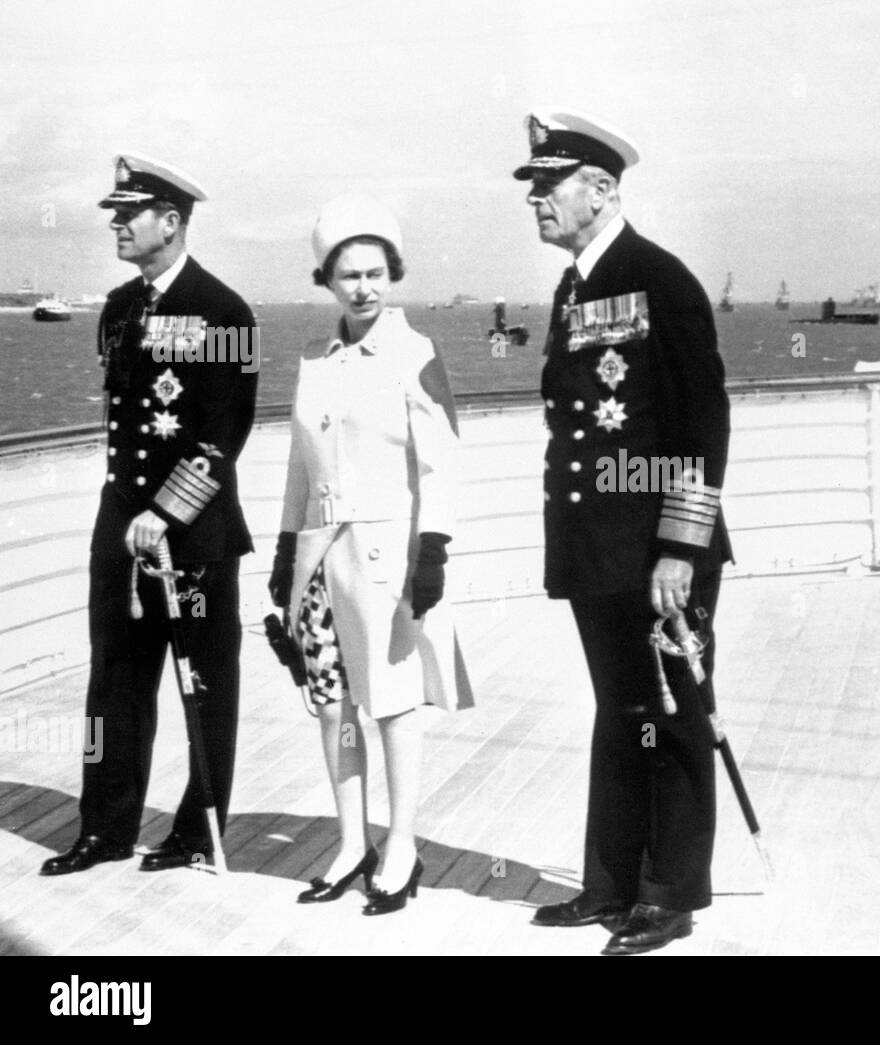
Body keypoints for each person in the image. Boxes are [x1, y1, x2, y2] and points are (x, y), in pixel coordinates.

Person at [514, 110, 732, 955]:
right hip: (598, 545)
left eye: (549, 183)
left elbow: (699, 420)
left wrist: (680, 546)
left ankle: (669, 893)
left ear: (601, 190)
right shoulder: (576, 285)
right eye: (533, 185)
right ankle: (609, 883)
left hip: (655, 551)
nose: (536, 198)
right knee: (620, 710)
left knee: (672, 713)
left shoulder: (660, 278)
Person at [40, 154, 258, 876]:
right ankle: (104, 825)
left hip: (191, 529)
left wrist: (166, 511)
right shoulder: (118, 307)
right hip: (120, 520)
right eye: (114, 212)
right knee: (114, 680)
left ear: (171, 221)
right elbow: (121, 417)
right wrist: (128, 513)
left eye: (128, 213)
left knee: (202, 679)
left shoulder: (227, 312)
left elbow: (225, 430)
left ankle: (198, 830)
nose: (115, 224)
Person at [268, 193, 472, 915]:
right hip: (321, 563)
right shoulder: (314, 361)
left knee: (390, 707)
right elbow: (301, 469)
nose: (363, 287)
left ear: (393, 275)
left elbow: (440, 459)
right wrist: (285, 552)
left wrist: (435, 547)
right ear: (326, 279)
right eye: (348, 274)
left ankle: (402, 845)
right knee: (332, 708)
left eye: (376, 273)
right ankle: (351, 843)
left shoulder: (414, 352)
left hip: (388, 559)